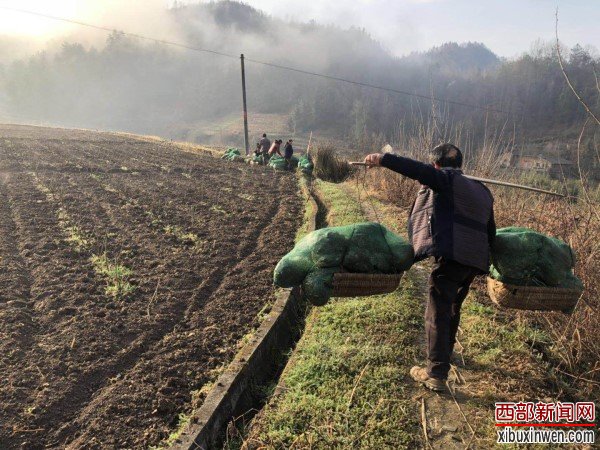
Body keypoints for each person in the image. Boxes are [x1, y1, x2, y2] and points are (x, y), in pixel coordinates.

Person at [364, 143, 495, 392]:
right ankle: (446, 354)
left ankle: (435, 373)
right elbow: (491, 230)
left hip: (453, 256)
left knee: (437, 312)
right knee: (452, 307)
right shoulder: (482, 190)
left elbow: (417, 170)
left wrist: (383, 158)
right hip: (474, 260)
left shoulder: (444, 179)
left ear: (436, 165)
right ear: (460, 164)